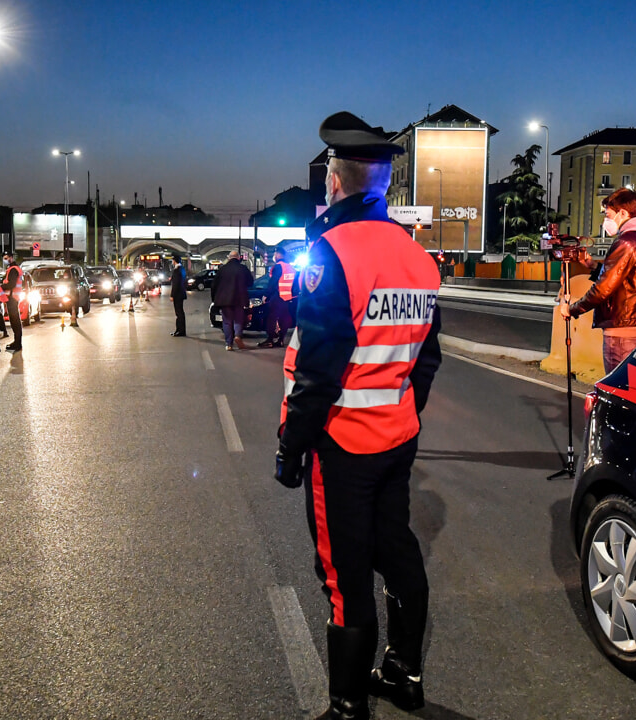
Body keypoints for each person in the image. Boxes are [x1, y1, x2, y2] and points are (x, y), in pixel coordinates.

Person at [275, 111, 443, 720]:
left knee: (344, 577)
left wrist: (292, 447)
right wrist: (401, 409)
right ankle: (404, 673)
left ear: (335, 183)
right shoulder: (418, 257)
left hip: (340, 444)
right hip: (397, 439)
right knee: (396, 550)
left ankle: (347, 708)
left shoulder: (331, 253)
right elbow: (427, 361)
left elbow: (318, 370)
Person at [560, 187, 636, 374]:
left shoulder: (626, 242)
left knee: (617, 391)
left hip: (621, 332)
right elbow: (628, 280)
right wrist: (594, 267)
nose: (605, 221)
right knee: (633, 388)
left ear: (623, 213)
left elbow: (603, 289)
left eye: (608, 215)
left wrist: (571, 309)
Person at [211, 250, 253, 351]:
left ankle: (229, 344)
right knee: (238, 320)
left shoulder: (222, 269)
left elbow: (214, 285)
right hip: (239, 300)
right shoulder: (243, 268)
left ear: (229, 258)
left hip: (225, 300)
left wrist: (215, 299)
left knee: (227, 322)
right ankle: (238, 336)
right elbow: (250, 282)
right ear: (239, 258)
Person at [258, 247, 296, 348]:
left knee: (271, 318)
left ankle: (270, 340)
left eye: (275, 254)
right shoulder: (291, 268)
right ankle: (281, 340)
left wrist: (266, 295)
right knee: (284, 319)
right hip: (287, 297)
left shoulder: (278, 267)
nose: (274, 256)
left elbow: (273, 282)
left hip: (277, 296)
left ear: (278, 255)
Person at [2, 257, 24, 351]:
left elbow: (11, 284)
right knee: (15, 320)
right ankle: (17, 342)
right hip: (13, 297)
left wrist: (0, 287)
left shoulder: (13, 269)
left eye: (6, 258)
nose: (5, 260)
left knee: (15, 321)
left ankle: (17, 343)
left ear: (11, 258)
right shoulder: (14, 268)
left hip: (12, 298)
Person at [170, 254, 188, 337]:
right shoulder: (182, 269)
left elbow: (176, 284)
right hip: (181, 293)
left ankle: (180, 331)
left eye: (173, 260)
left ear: (175, 261)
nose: (172, 262)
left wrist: (172, 295)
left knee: (179, 313)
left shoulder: (177, 270)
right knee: (180, 312)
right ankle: (180, 330)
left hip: (177, 295)